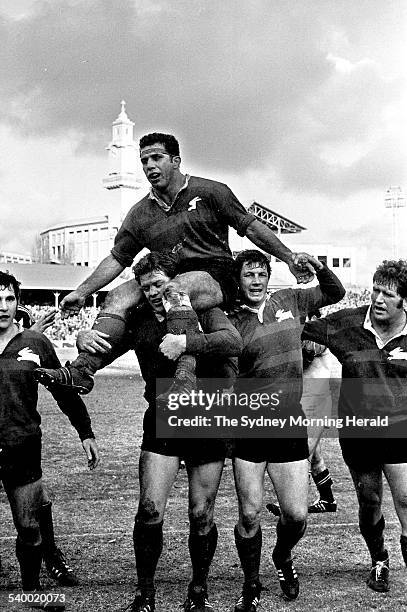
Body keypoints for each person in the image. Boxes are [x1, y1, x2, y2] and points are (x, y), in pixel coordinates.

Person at [34, 132, 316, 396]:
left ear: (176, 161)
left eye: (156, 158)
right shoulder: (140, 214)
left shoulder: (211, 192)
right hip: (170, 276)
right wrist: (82, 291)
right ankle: (82, 370)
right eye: (144, 160)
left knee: (173, 289)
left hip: (216, 278)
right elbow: (118, 258)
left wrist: (289, 257)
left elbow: (251, 227)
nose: (149, 166)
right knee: (119, 295)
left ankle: (184, 377)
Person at [77, 252, 241, 612]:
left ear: (175, 282)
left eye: (159, 284)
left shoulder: (202, 308)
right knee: (149, 509)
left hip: (206, 415)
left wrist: (187, 343)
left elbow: (233, 343)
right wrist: (86, 337)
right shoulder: (136, 320)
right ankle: (145, 593)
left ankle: (198, 591)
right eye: (146, 286)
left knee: (201, 515)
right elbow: (104, 349)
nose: (152, 292)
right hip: (163, 416)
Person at [228, 250, 345, 609]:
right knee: (249, 514)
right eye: (249, 274)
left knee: (296, 515)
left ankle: (282, 555)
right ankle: (251, 585)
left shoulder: (290, 300)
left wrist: (318, 266)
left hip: (288, 422)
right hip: (249, 425)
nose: (256, 280)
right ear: (239, 280)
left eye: (262, 273)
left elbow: (335, 291)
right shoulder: (228, 320)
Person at [303, 259, 407, 593]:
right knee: (370, 500)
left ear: (404, 301)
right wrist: (311, 345)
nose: (378, 299)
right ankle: (379, 559)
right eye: (375, 289)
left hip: (400, 429)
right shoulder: (346, 323)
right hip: (359, 430)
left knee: (406, 497)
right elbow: (300, 330)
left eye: (388, 294)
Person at [0, 272, 99, 611]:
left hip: (22, 444)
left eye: (9, 299)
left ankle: (32, 591)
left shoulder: (35, 343)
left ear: (18, 302)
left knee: (28, 526)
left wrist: (85, 432)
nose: (2, 307)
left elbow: (64, 390)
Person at [14, 305, 81, 586]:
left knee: (36, 500)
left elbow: (62, 389)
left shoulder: (28, 342)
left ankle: (50, 555)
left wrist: (85, 431)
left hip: (18, 438)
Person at [267, 310, 337, 518]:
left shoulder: (316, 333)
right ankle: (327, 499)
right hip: (309, 399)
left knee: (302, 453)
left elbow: (304, 355)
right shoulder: (307, 330)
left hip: (315, 400)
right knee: (315, 456)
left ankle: (294, 503)